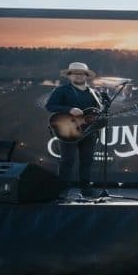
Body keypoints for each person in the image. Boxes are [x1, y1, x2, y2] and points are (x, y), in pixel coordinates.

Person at [45, 62, 102, 198]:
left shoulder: (94, 93)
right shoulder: (61, 90)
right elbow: (50, 106)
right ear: (69, 76)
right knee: (67, 161)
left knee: (87, 161)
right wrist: (69, 109)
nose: (78, 76)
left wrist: (99, 117)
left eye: (81, 73)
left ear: (86, 76)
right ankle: (62, 191)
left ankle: (86, 190)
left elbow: (97, 112)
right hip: (68, 130)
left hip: (89, 131)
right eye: (75, 73)